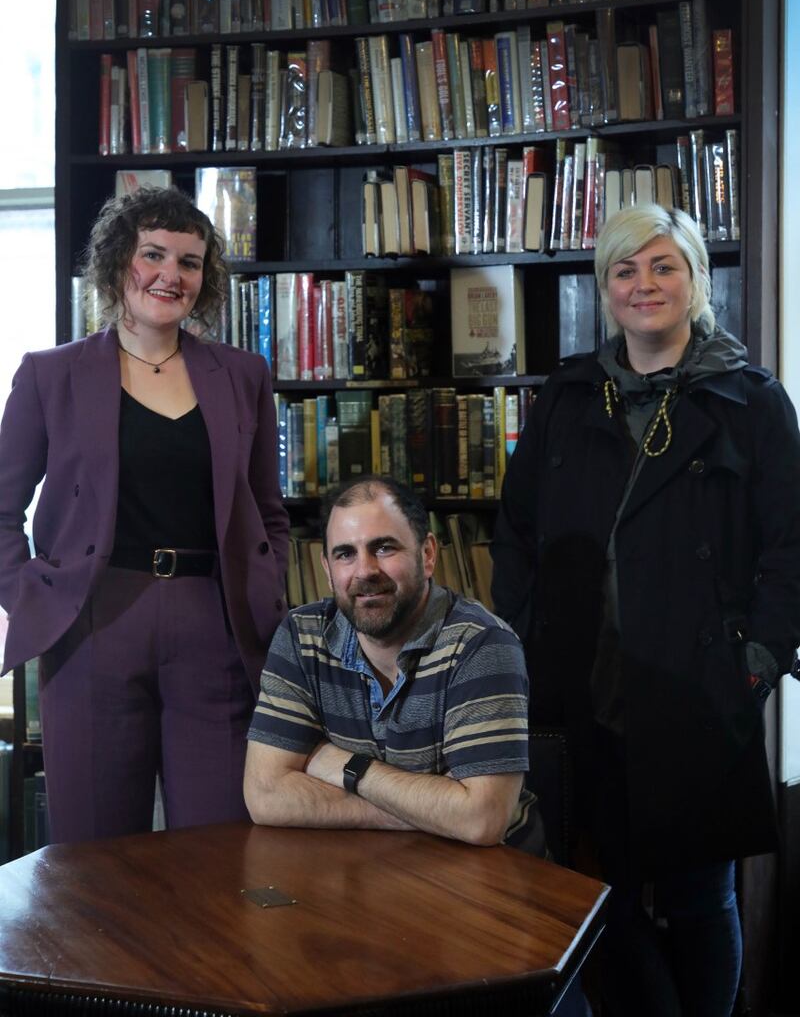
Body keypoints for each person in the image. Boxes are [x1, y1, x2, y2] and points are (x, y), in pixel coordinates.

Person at [490, 203, 800, 1017]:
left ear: (695, 280)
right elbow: (516, 530)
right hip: (579, 683)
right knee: (596, 896)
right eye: (625, 269)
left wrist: (757, 663)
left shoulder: (751, 400)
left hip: (700, 683)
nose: (644, 284)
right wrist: (522, 639)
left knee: (701, 897)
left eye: (663, 266)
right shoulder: (566, 396)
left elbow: (789, 545)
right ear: (605, 288)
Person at [0, 186, 290, 843]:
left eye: (190, 262)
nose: (171, 276)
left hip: (215, 625)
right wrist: (29, 595)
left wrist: (263, 591)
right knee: (93, 852)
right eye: (153, 254)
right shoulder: (50, 376)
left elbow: (269, 512)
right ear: (116, 262)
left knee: (219, 848)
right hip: (92, 623)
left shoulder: (244, 375)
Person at [244, 474, 544, 853]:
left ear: (428, 554)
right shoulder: (301, 635)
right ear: (327, 568)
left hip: (493, 880)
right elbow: (264, 795)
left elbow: (481, 819)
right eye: (345, 553)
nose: (365, 570)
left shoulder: (482, 644)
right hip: (370, 872)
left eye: (384, 548)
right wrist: (436, 809)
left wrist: (342, 766)